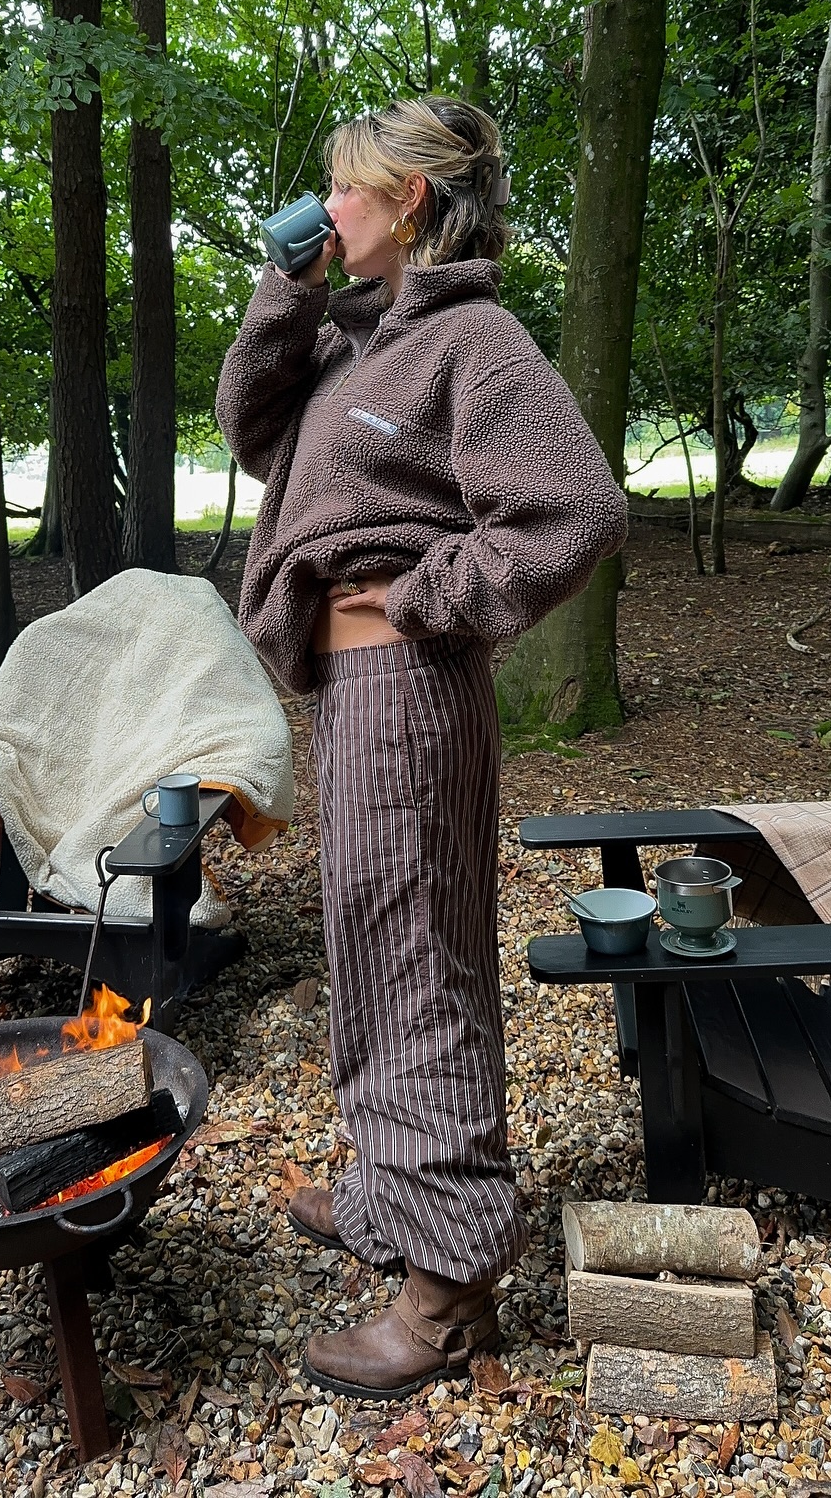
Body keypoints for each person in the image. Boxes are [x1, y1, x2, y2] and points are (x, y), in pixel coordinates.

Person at [215, 96, 627, 1400]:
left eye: (348, 187)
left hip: (408, 681)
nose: (326, 206)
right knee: (370, 943)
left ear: (411, 203)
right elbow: (256, 436)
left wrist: (428, 597)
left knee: (416, 958)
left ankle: (449, 1295)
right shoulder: (356, 345)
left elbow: (575, 509)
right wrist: (287, 298)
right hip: (352, 692)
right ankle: (393, 1196)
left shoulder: (476, 340)